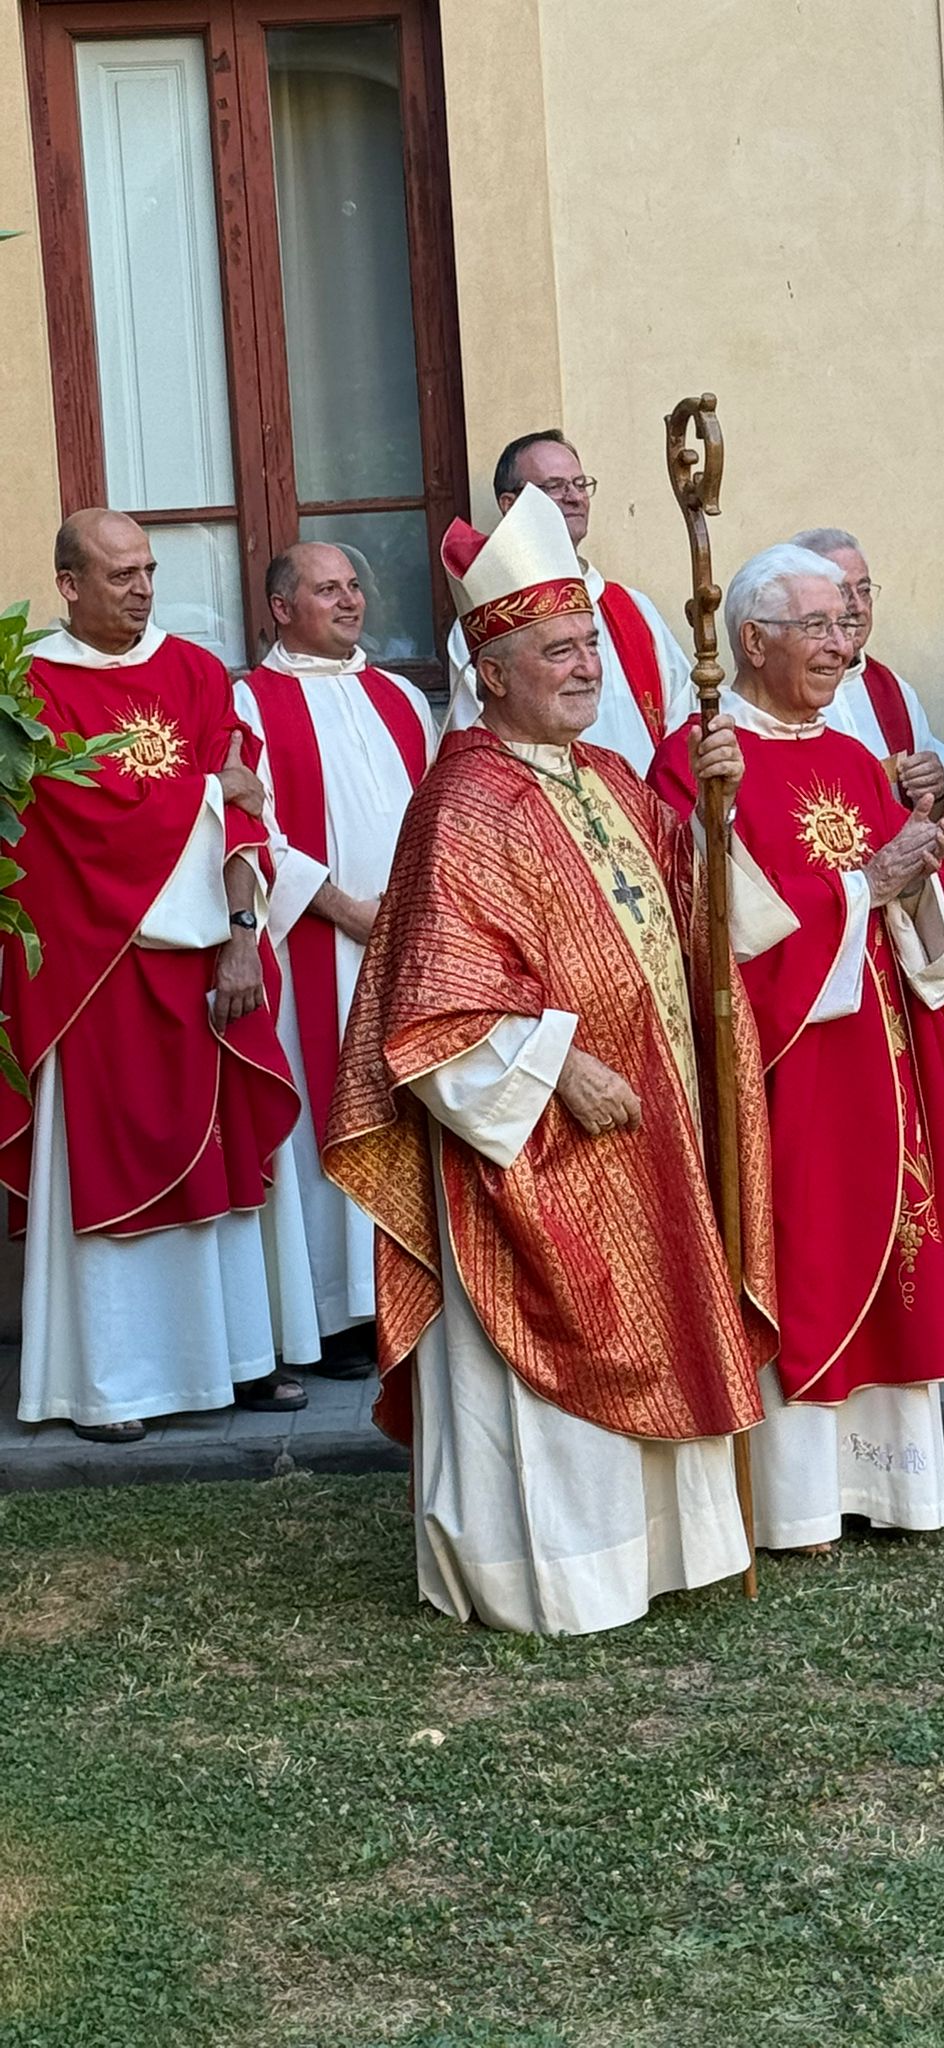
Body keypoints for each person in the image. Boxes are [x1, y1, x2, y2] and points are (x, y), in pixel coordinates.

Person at [324, 483, 782, 1636]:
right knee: (551, 1359)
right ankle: (560, 1575)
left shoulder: (616, 778)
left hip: (650, 1129)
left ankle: (668, 1551)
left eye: (589, 645)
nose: (584, 666)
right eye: (556, 650)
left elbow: (693, 915)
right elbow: (428, 1009)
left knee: (658, 1306)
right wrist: (556, 1064)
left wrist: (717, 806)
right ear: (492, 670)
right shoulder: (465, 800)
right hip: (534, 1144)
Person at [650, 545, 944, 1553]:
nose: (846, 645)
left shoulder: (853, 752)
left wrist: (921, 863)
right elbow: (705, 929)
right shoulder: (700, 761)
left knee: (897, 1246)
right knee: (801, 1247)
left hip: (880, 1056)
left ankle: (895, 1487)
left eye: (848, 624)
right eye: (822, 627)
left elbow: (907, 907)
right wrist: (862, 888)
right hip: (786, 1068)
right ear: (752, 641)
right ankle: (795, 1502)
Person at [0, 510, 303, 1442]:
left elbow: (249, 817)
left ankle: (240, 1358)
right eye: (121, 574)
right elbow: (74, 822)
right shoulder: (29, 690)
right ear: (69, 586)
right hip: (97, 971)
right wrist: (213, 791)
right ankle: (113, 1385)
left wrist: (243, 932)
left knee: (223, 1159)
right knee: (110, 1159)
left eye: (148, 570)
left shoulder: (198, 673)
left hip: (206, 957)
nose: (142, 589)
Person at [235, 543, 436, 1377]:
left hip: (413, 945)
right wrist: (348, 910)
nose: (349, 601)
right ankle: (338, 1313)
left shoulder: (400, 697)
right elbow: (253, 834)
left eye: (355, 586)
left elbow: (441, 812)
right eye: (327, 590)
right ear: (283, 607)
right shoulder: (251, 703)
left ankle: (410, 1292)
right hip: (319, 945)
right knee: (329, 1113)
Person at [443, 429, 694, 770]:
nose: (574, 496)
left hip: (646, 812)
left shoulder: (635, 609)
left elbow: (683, 725)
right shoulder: (491, 622)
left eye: (580, 483)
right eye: (555, 486)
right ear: (510, 505)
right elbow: (481, 749)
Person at [788, 527, 944, 832]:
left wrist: (938, 789)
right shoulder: (782, 695)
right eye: (842, 592)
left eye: (864, 590)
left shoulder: (894, 691)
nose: (859, 607)